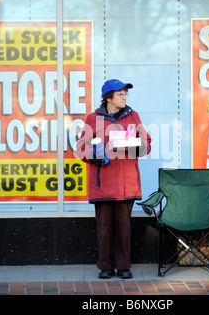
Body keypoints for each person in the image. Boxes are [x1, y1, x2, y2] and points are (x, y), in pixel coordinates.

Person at [74, 79, 152, 279]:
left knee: (124, 227)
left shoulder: (133, 116)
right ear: (108, 97)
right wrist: (95, 155)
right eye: (120, 94)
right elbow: (81, 148)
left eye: (126, 94)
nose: (124, 97)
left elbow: (147, 143)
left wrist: (137, 144)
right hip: (103, 184)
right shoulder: (93, 119)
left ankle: (124, 266)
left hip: (127, 184)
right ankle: (105, 266)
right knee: (104, 227)